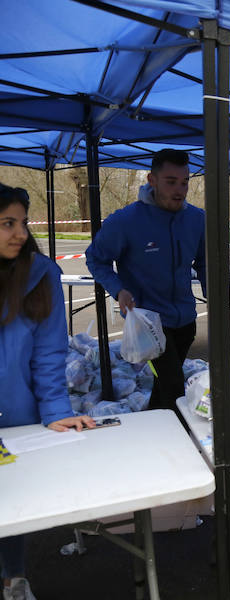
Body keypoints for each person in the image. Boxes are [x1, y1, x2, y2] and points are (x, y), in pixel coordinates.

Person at [0, 183, 96, 600]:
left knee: (12, 504)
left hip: (17, 417)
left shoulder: (41, 274)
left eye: (22, 222)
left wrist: (56, 409)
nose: (20, 233)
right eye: (7, 223)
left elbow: (49, 353)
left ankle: (14, 577)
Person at [86, 148, 206, 412]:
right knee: (175, 386)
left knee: (165, 386)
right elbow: (95, 259)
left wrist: (213, 290)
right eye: (171, 182)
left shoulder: (197, 219)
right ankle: (182, 445)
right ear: (152, 180)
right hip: (149, 325)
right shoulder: (126, 221)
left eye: (185, 182)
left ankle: (151, 426)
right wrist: (119, 290)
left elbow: (204, 260)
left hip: (186, 320)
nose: (179, 190)